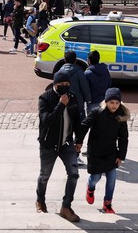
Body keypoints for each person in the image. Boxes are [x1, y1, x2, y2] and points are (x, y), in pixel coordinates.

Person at [36, 69, 83, 222]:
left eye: (67, 84)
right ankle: (40, 201)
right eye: (62, 83)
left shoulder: (72, 97)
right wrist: (61, 105)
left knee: (74, 174)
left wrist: (79, 140)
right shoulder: (45, 98)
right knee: (44, 176)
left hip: (66, 143)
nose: (65, 86)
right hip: (48, 144)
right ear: (55, 84)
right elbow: (47, 120)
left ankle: (66, 206)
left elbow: (77, 120)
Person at [77, 87, 128, 214]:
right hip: (95, 151)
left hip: (111, 152)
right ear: (106, 102)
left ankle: (107, 204)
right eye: (111, 102)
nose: (114, 105)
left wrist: (121, 156)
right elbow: (84, 126)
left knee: (112, 179)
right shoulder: (97, 112)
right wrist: (78, 141)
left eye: (117, 103)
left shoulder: (121, 116)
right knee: (95, 177)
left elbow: (123, 138)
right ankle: (90, 188)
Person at [84, 51, 112, 116]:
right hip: (103, 101)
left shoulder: (87, 74)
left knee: (92, 120)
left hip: (92, 102)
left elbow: (85, 89)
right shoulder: (105, 70)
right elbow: (109, 83)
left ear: (89, 61)